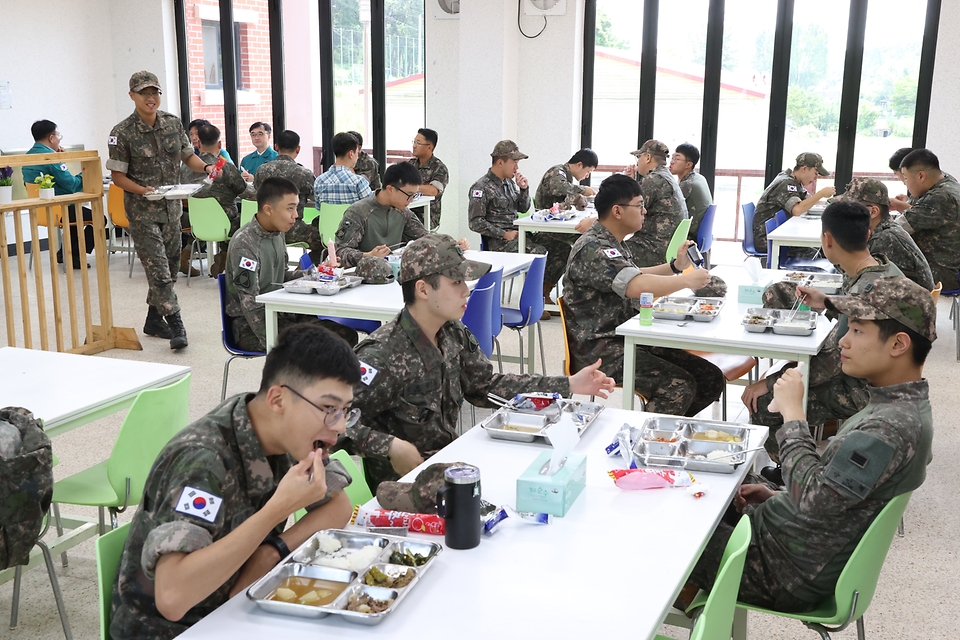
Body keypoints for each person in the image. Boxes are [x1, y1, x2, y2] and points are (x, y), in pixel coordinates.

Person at [685, 275, 934, 613]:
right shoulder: (897, 408)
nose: (843, 342)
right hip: (789, 544)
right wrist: (776, 497)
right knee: (703, 478)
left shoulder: (888, 427)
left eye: (858, 331)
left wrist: (792, 414)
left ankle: (694, 617)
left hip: (778, 569)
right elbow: (836, 496)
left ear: (898, 345)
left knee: (661, 525)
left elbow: (816, 501)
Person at [109, 323, 358, 639]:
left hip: (238, 610)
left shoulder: (284, 431)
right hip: (176, 629)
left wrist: (271, 551)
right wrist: (277, 510)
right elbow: (173, 598)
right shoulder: (203, 461)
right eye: (329, 408)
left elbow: (337, 505)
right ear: (278, 399)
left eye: (346, 410)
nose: (340, 426)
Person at [336, 234, 616, 490]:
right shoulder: (381, 355)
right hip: (406, 490)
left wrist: (568, 383)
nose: (466, 291)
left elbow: (486, 387)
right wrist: (390, 446)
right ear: (423, 289)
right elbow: (333, 421)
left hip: (449, 467)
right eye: (456, 282)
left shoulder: (452, 332)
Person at [743, 201, 904, 462]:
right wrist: (827, 301)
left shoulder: (865, 293)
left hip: (865, 390)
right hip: (889, 378)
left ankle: (792, 476)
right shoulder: (885, 272)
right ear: (868, 235)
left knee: (764, 404)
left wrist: (769, 383)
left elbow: (833, 362)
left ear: (827, 240)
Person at [563, 174, 724, 416]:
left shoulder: (611, 241)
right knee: (678, 386)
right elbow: (635, 285)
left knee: (710, 378)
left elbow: (632, 274)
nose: (645, 211)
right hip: (601, 348)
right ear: (617, 211)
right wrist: (685, 281)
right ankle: (642, 441)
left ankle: (666, 434)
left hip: (626, 336)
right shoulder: (593, 248)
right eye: (639, 205)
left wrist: (674, 268)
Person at [107, 71, 215, 350]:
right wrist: (143, 190)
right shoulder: (121, 133)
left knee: (168, 266)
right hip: (142, 211)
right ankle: (177, 323)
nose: (150, 98)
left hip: (172, 208)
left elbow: (187, 156)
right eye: (144, 93)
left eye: (154, 93)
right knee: (158, 270)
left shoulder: (172, 123)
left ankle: (153, 320)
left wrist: (205, 167)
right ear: (132, 96)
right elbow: (118, 177)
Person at [226, 177, 357, 351]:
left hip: (282, 314)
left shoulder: (277, 233)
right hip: (251, 327)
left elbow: (282, 277)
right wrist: (275, 344)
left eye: (296, 208)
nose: (295, 215)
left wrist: (318, 274)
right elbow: (251, 304)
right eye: (290, 208)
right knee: (321, 346)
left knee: (345, 336)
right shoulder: (245, 244)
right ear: (268, 209)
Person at [467, 140, 571, 319]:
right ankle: (534, 300)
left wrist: (524, 189)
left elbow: (523, 208)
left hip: (519, 235)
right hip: (499, 242)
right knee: (538, 252)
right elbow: (475, 222)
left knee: (562, 247)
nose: (516, 167)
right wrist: (503, 234)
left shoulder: (508, 183)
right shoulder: (481, 187)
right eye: (513, 162)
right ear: (500, 162)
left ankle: (544, 293)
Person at [334, 163, 467, 268]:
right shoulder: (358, 212)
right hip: (363, 277)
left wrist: (453, 244)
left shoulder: (403, 212)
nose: (412, 200)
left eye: (415, 195)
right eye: (409, 195)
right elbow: (340, 251)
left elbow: (425, 237)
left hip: (393, 274)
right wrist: (367, 255)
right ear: (391, 189)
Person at [22, 119, 99, 268]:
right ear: (51, 138)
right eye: (58, 136)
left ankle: (66, 253)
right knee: (98, 218)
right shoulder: (51, 158)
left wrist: (61, 159)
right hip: (59, 210)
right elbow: (72, 185)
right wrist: (86, 174)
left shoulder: (27, 157)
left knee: (75, 217)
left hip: (39, 211)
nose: (59, 139)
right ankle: (72, 254)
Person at [837, 177, 934, 290]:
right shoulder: (883, 229)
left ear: (873, 212)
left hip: (907, 305)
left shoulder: (885, 239)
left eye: (849, 209)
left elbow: (858, 283)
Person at [185, 123, 254, 276]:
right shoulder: (225, 167)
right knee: (244, 219)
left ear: (198, 143)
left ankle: (185, 254)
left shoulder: (186, 167)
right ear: (220, 144)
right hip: (225, 222)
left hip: (196, 223)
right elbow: (244, 190)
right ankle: (225, 255)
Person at [252, 129, 324, 262]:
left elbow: (256, 191)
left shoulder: (262, 170)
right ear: (298, 149)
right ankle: (303, 267)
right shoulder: (303, 174)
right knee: (325, 239)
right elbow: (317, 197)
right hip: (292, 229)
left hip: (265, 227)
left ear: (276, 147)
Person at [897, 148, 960, 291]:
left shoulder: (939, 198)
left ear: (921, 176)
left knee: (883, 268)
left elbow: (896, 229)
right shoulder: (947, 181)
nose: (905, 184)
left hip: (942, 272)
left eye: (906, 178)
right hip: (950, 264)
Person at [753, 152, 836, 256]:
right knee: (817, 252)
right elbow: (797, 209)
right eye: (816, 173)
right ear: (804, 169)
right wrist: (821, 193)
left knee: (821, 248)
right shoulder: (786, 183)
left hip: (777, 233)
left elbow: (808, 200)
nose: (816, 178)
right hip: (767, 239)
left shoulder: (792, 180)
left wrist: (832, 202)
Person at [622, 140, 687, 268]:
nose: (637, 162)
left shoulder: (654, 180)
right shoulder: (665, 177)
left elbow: (624, 211)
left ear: (647, 157)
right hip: (665, 247)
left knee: (602, 252)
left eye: (638, 157)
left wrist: (594, 221)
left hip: (652, 250)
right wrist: (631, 181)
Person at [669, 142, 713, 245]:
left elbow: (667, 206)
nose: (671, 162)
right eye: (672, 158)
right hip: (700, 236)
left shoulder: (687, 184)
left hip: (689, 237)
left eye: (677, 158)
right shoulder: (699, 178)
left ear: (689, 164)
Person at [312, 132, 372, 205]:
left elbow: (319, 208)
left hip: (329, 217)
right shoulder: (358, 182)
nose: (357, 157)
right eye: (357, 153)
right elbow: (370, 208)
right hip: (352, 216)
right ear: (351, 154)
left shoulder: (319, 181)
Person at [406, 128, 449, 229]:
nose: (414, 146)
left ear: (429, 147)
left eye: (418, 143)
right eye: (414, 142)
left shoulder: (439, 168)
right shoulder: (411, 164)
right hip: (407, 209)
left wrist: (410, 187)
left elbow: (433, 191)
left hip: (426, 216)